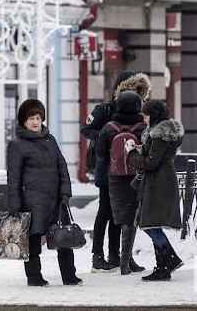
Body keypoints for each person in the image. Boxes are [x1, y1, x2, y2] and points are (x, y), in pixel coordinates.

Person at [81, 70, 151, 272]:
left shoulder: (138, 112)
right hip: (106, 171)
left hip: (129, 172)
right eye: (130, 88)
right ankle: (97, 256)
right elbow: (86, 130)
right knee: (105, 211)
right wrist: (108, 137)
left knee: (121, 215)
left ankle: (117, 255)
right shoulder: (104, 109)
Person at [6, 99, 80, 286]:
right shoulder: (17, 144)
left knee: (63, 238)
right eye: (31, 118)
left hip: (55, 199)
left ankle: (69, 276)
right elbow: (13, 178)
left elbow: (61, 166)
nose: (35, 122)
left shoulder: (50, 139)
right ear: (24, 120)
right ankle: (34, 277)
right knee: (33, 241)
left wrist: (65, 191)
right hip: (32, 201)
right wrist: (14, 204)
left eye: (38, 118)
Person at [127, 100, 185, 281]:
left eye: (146, 115)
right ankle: (164, 266)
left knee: (150, 224)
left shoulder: (159, 135)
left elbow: (151, 163)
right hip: (159, 181)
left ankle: (168, 263)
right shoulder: (160, 133)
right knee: (150, 224)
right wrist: (141, 149)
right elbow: (155, 155)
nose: (144, 119)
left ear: (154, 115)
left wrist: (131, 154)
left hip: (158, 183)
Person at [97, 90, 147, 276]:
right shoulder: (143, 128)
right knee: (132, 218)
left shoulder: (109, 128)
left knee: (118, 217)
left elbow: (100, 154)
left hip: (115, 178)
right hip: (137, 178)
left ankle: (120, 259)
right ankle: (127, 260)